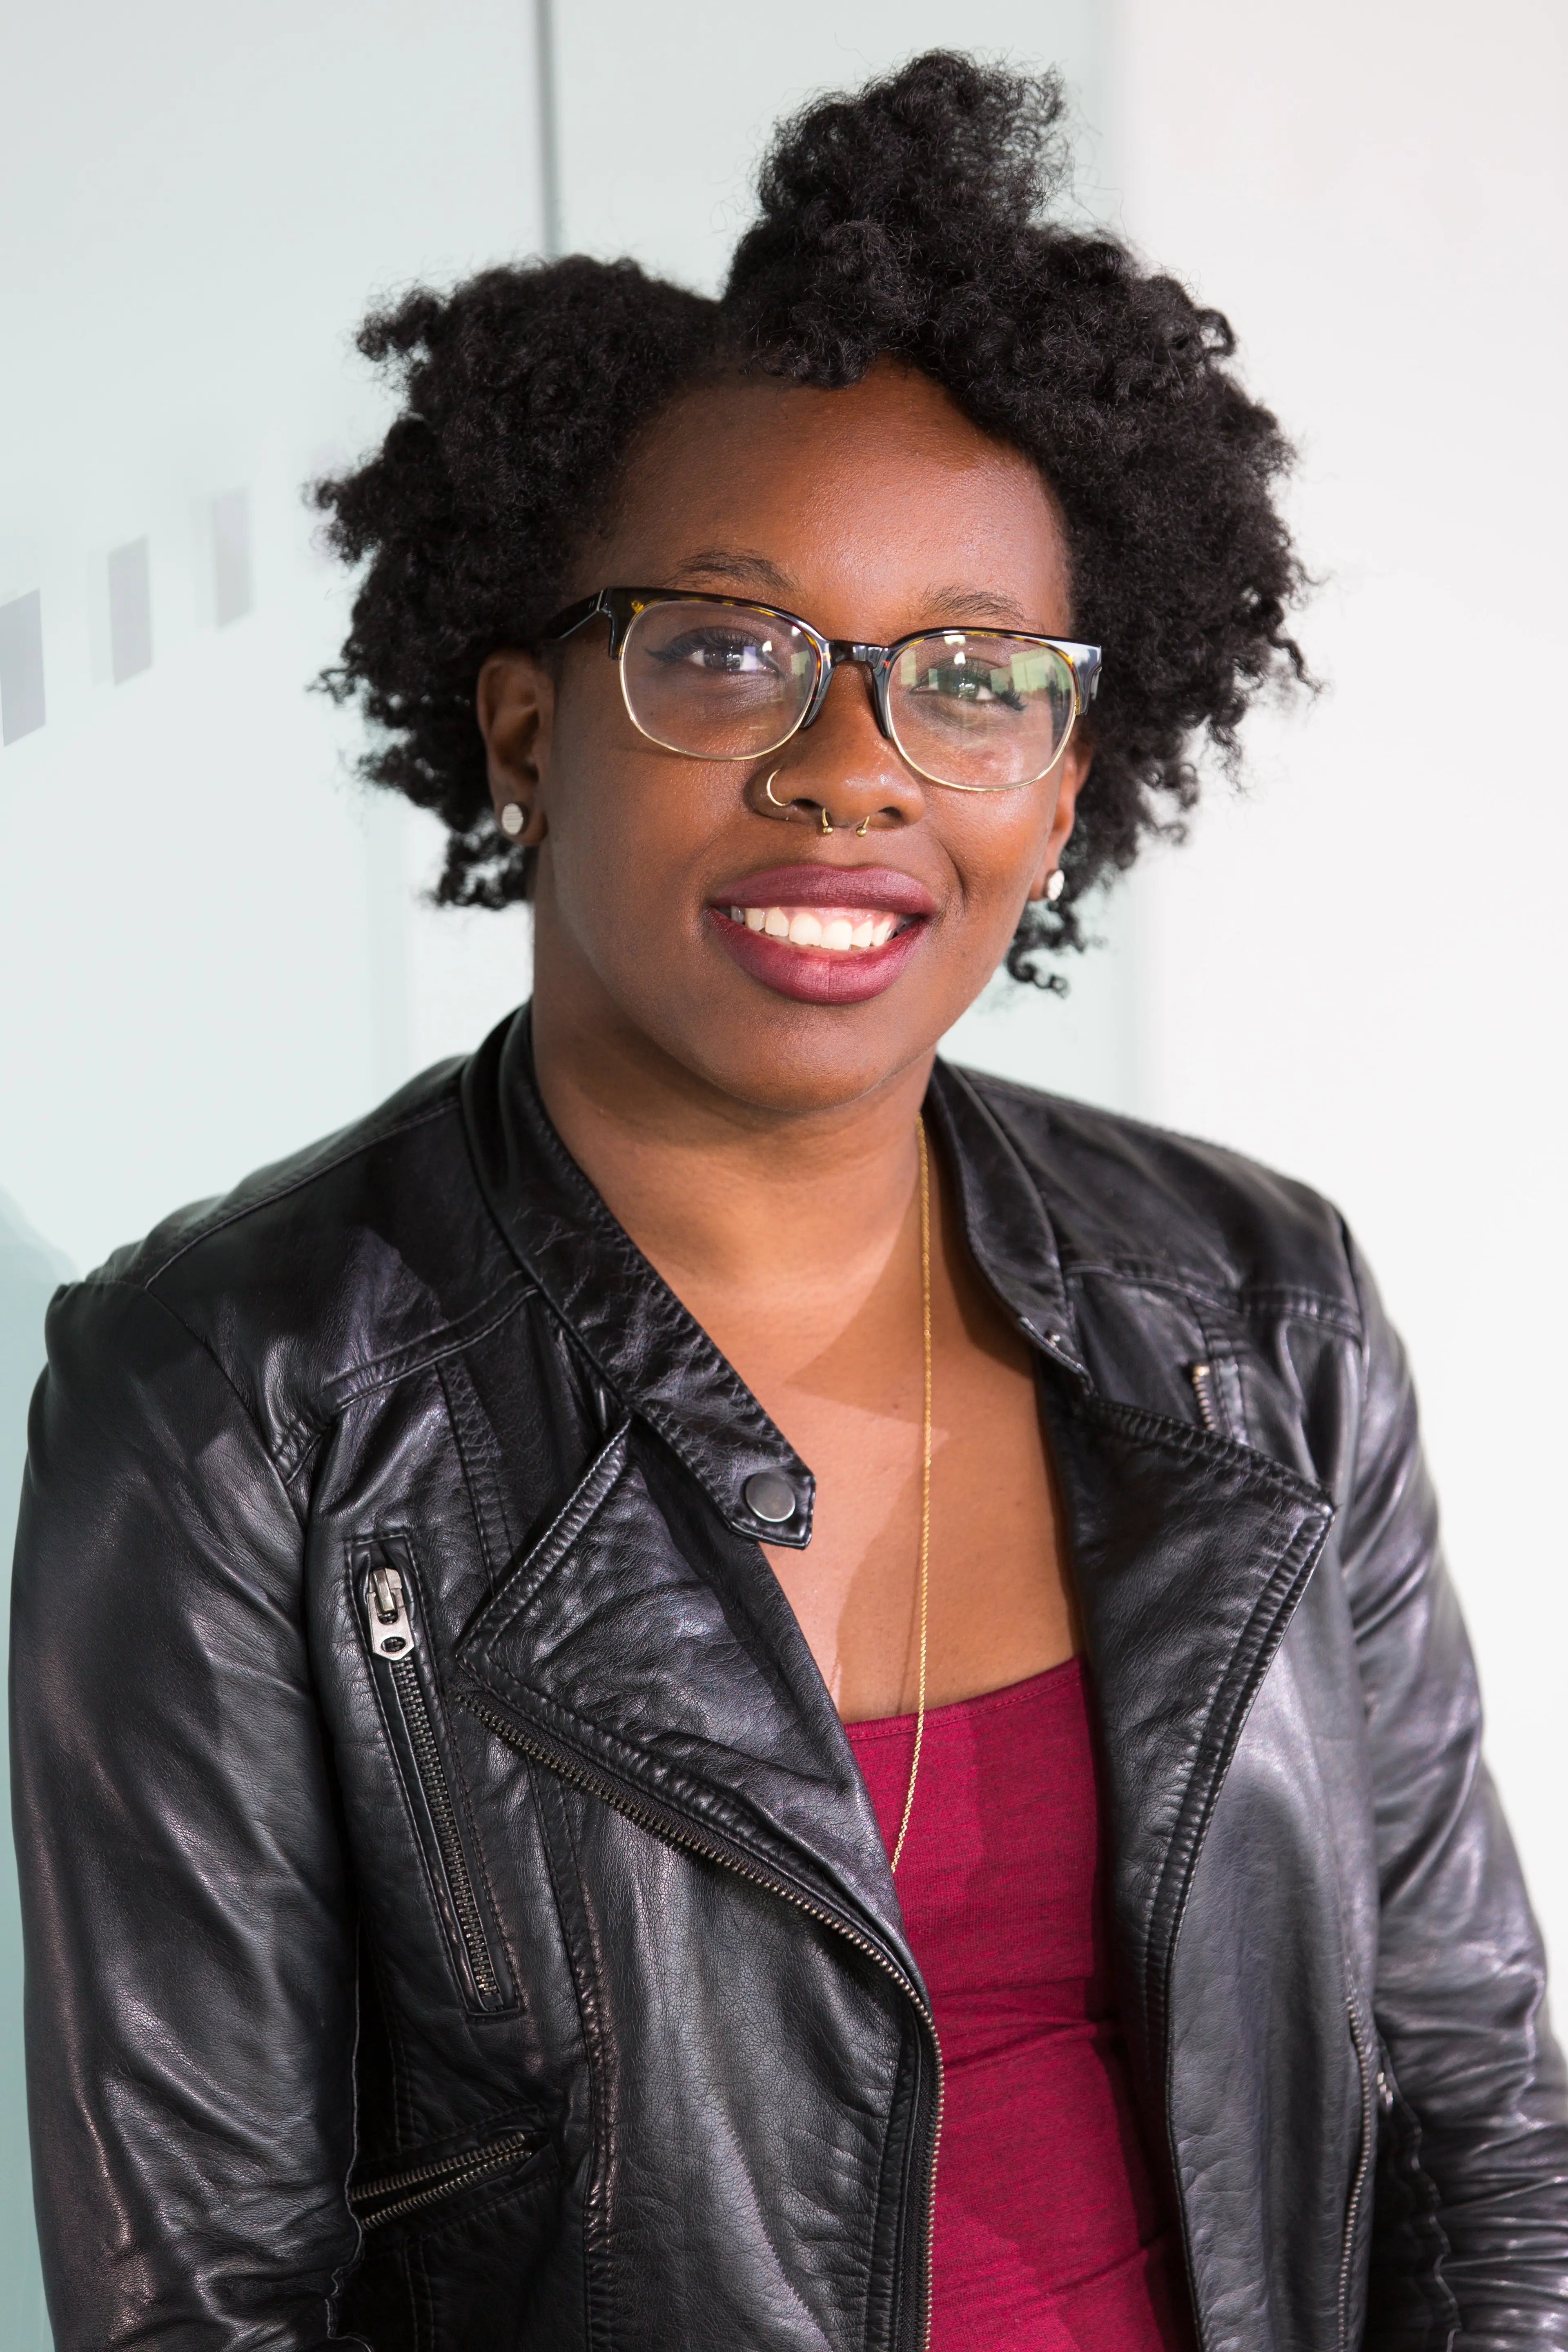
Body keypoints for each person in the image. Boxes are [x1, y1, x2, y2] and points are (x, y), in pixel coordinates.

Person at [11, 50, 1568, 2352]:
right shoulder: (242, 1406)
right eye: (726, 648)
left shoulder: (1260, 1303)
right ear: (529, 729)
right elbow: (202, 2305)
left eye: (970, 677)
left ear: (1062, 782)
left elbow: (1472, 2116)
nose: (855, 771)